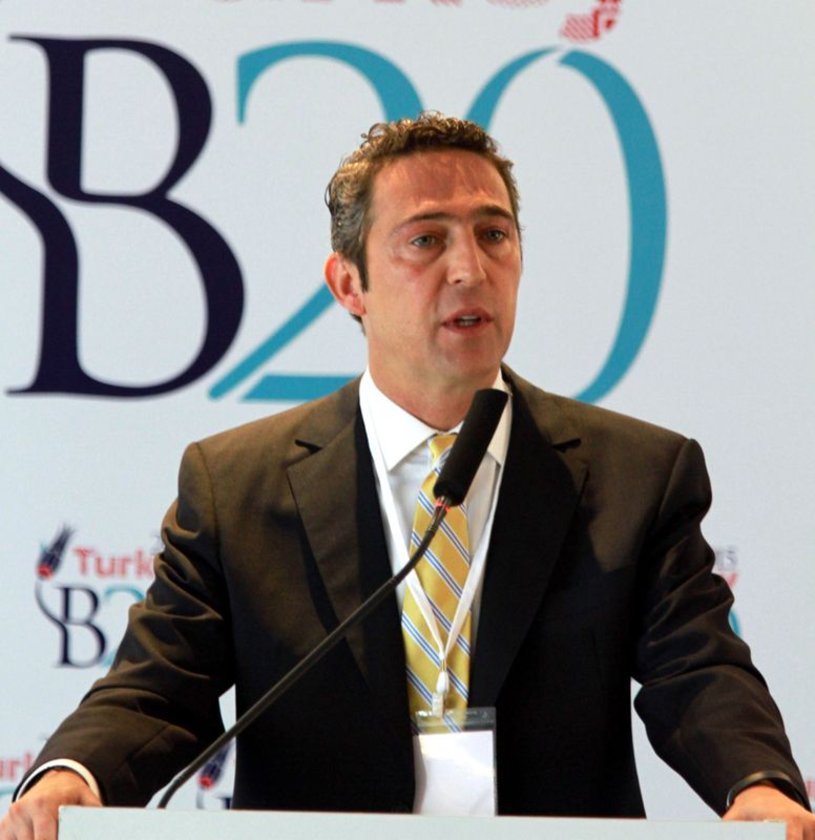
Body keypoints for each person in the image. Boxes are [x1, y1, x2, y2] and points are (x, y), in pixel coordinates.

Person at [2, 113, 813, 839]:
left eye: (493, 235)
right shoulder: (237, 485)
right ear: (348, 284)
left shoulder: (634, 475)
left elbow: (696, 667)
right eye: (426, 240)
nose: (469, 268)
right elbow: (158, 684)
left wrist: (756, 784)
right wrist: (72, 775)